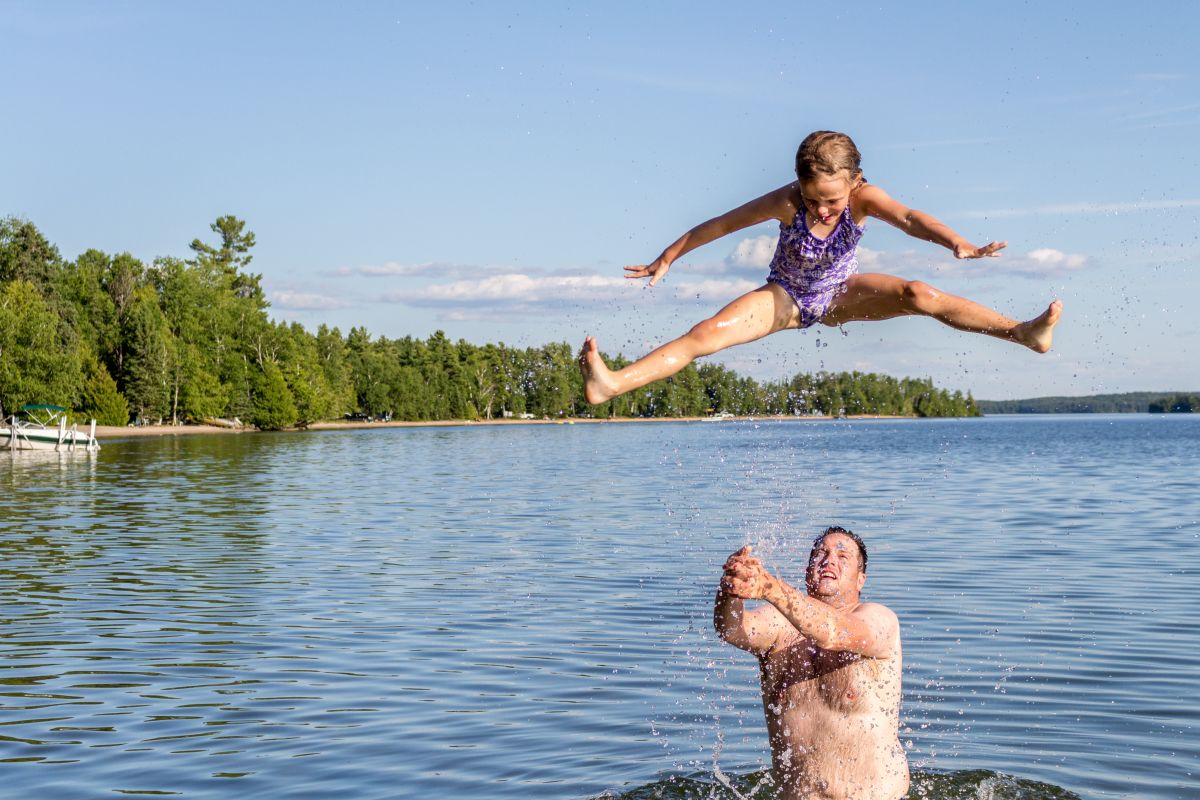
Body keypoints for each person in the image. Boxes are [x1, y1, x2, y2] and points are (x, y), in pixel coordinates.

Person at [579, 130, 1062, 405]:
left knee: (919, 293)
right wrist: (668, 256)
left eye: (831, 200)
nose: (822, 210)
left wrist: (957, 242)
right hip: (784, 297)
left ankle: (1022, 333)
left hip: (838, 294)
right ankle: (612, 383)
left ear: (853, 182)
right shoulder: (787, 201)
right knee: (703, 335)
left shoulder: (864, 199)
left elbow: (912, 219)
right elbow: (721, 225)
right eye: (813, 199)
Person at [715, 527, 908, 800]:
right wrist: (731, 588)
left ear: (860, 579)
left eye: (843, 557)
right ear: (808, 570)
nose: (828, 561)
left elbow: (832, 633)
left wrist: (771, 588)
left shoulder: (879, 621)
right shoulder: (779, 625)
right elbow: (731, 629)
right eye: (820, 554)